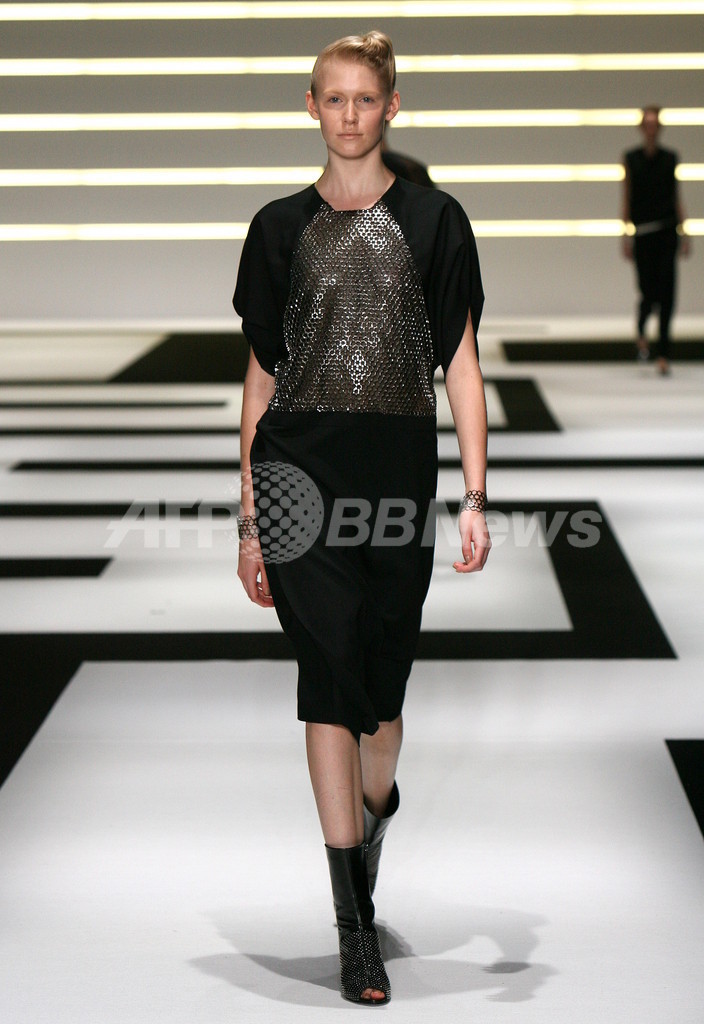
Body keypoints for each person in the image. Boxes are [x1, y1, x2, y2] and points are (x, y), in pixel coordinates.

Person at [233, 30, 490, 1005]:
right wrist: (249, 520)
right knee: (327, 678)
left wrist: (474, 494)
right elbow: (259, 381)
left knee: (379, 696)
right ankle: (353, 927)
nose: (348, 114)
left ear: (391, 106)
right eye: (332, 98)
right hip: (295, 476)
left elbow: (460, 365)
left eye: (364, 98)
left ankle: (373, 815)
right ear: (310, 105)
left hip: (393, 479)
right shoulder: (275, 228)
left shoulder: (434, 220)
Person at [622, 105, 690, 375]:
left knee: (667, 294)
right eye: (647, 124)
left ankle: (663, 353)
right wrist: (625, 234)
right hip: (643, 233)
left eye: (655, 124)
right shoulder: (631, 158)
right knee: (648, 291)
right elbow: (627, 196)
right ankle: (641, 329)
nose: (651, 129)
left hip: (667, 231)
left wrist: (685, 232)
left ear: (659, 128)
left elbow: (676, 195)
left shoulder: (670, 158)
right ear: (642, 128)